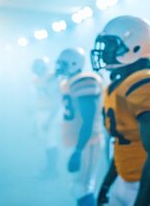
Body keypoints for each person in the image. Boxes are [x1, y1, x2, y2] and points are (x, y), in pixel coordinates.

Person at [91, 15, 150, 206]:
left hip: (148, 183)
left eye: (110, 45)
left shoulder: (146, 84)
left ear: (135, 46)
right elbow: (122, 142)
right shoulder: (118, 86)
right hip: (125, 177)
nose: (104, 52)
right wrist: (107, 183)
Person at [56, 47, 105, 206]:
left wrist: (78, 149)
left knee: (82, 188)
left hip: (87, 141)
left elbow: (88, 119)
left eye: (63, 64)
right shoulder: (68, 82)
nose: (59, 68)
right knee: (77, 187)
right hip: (78, 141)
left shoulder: (84, 81)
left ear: (73, 63)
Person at [31, 57, 61, 178]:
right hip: (42, 112)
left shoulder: (51, 79)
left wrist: (50, 119)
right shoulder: (38, 80)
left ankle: (52, 170)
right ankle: (50, 168)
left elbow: (56, 101)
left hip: (50, 112)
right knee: (47, 142)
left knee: (51, 142)